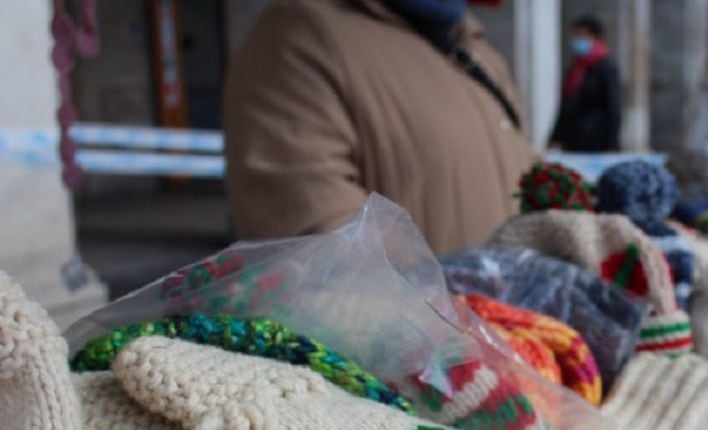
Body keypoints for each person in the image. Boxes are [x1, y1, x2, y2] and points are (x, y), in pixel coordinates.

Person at [224, 0, 533, 255]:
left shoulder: (477, 51)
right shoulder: (300, 39)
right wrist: (462, 319)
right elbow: (316, 251)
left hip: (515, 326)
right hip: (421, 329)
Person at [549, 16, 621, 152]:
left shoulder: (605, 67)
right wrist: (554, 138)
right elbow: (566, 107)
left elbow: (613, 107)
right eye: (575, 35)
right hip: (573, 140)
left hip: (597, 141)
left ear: (594, 37)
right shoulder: (575, 68)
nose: (576, 40)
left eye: (581, 35)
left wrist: (613, 143)